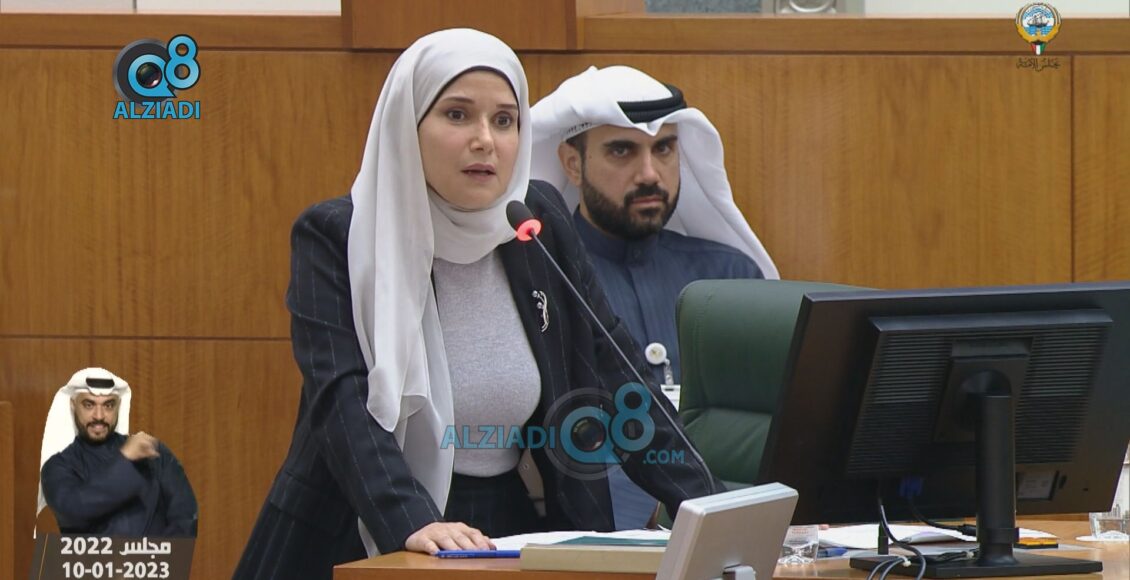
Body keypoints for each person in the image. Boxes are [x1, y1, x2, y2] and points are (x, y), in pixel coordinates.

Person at [233, 29, 720, 580]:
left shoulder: (534, 220)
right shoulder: (338, 236)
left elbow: (619, 372)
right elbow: (341, 400)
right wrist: (411, 519)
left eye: (504, 120)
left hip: (504, 518)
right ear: (407, 125)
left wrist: (711, 506)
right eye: (458, 115)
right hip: (360, 521)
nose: (485, 140)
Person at [530, 65, 779, 530]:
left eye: (664, 148)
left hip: (723, 527)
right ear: (572, 163)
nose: (650, 174)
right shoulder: (544, 279)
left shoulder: (731, 277)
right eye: (622, 150)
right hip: (591, 536)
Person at [38, 367, 198, 537]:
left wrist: (164, 553)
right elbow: (74, 510)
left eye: (108, 405)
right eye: (89, 405)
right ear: (73, 405)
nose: (99, 416)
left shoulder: (151, 451)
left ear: (118, 406)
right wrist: (125, 460)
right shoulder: (57, 467)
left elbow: (185, 514)